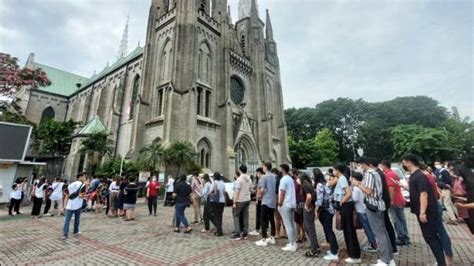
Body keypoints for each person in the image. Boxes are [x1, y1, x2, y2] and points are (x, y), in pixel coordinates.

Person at [402, 155, 446, 266]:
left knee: (431, 237)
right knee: (430, 237)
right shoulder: (414, 176)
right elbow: (417, 191)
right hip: (423, 210)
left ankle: (442, 263)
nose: (403, 164)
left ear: (409, 162)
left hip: (427, 212)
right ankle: (441, 261)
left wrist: (422, 212)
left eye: (404, 162)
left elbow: (424, 194)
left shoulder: (419, 176)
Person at [354, 156, 394, 266]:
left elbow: (368, 191)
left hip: (373, 206)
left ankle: (385, 260)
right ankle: (389, 259)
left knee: (379, 234)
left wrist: (357, 184)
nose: (359, 167)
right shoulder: (376, 173)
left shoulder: (369, 174)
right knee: (383, 232)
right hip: (379, 205)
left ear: (364, 163)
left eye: (359, 164)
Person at [419, 164, 454, 265]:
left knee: (440, 233)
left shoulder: (425, 177)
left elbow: (426, 193)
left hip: (433, 205)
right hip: (435, 204)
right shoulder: (429, 176)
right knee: (441, 232)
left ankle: (447, 258)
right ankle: (447, 257)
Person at [333, 163, 361, 264]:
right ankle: (353, 254)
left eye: (333, 170)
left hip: (346, 206)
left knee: (349, 231)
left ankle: (355, 255)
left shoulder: (342, 179)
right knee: (347, 230)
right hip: (345, 207)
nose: (333, 172)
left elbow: (348, 193)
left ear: (337, 170)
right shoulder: (342, 179)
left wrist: (341, 202)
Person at [380, 160, 410, 246]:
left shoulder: (389, 175)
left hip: (395, 200)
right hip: (399, 199)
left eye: (381, 166)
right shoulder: (393, 173)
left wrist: (391, 200)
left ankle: (401, 237)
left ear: (384, 166)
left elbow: (391, 189)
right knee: (401, 219)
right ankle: (406, 237)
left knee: (396, 220)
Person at [314, 168, 338, 260]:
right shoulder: (326, 183)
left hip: (325, 210)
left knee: (328, 231)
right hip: (331, 209)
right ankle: (334, 249)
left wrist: (315, 210)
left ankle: (334, 253)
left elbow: (319, 200)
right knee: (329, 230)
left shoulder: (319, 185)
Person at [351, 171, 377, 253]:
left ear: (355, 179)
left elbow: (354, 199)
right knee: (369, 227)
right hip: (365, 209)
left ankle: (373, 244)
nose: (351, 181)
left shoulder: (356, 188)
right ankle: (373, 242)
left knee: (367, 228)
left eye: (352, 179)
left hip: (361, 210)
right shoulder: (363, 185)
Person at [299, 171, 321, 257]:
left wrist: (306, 205)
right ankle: (314, 245)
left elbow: (309, 197)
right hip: (310, 208)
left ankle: (314, 250)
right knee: (306, 226)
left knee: (310, 228)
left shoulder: (305, 185)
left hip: (308, 208)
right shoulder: (308, 184)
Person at [255, 163, 277, 247]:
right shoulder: (273, 176)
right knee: (271, 218)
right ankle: (272, 237)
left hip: (266, 201)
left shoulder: (264, 177)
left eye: (263, 167)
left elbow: (263, 189)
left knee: (263, 219)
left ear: (266, 168)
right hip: (272, 201)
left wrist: (259, 195)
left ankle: (264, 238)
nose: (262, 168)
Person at [278, 164, 298, 252]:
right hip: (292, 203)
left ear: (282, 170)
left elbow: (282, 192)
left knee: (288, 224)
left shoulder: (283, 179)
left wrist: (280, 203)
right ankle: (294, 242)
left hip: (286, 204)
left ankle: (292, 243)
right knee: (292, 224)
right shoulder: (290, 179)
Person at [231, 165, 253, 240]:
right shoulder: (249, 179)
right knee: (245, 215)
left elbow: (237, 191)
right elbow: (251, 189)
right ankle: (245, 232)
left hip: (240, 200)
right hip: (247, 199)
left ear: (240, 170)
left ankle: (237, 233)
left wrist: (234, 202)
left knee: (236, 215)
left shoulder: (239, 179)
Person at [63, 173, 86, 240]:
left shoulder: (70, 185)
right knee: (77, 218)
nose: (84, 178)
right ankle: (75, 231)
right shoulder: (83, 185)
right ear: (81, 177)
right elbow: (81, 195)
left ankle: (65, 234)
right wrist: (86, 196)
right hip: (78, 204)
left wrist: (64, 205)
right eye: (84, 177)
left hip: (70, 204)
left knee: (67, 220)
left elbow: (67, 195)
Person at [291, 169, 305, 243]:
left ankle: (299, 236)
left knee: (297, 220)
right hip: (303, 201)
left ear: (294, 174)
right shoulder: (303, 181)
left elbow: (294, 192)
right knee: (302, 219)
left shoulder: (296, 181)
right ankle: (303, 234)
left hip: (297, 202)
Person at [210, 172, 226, 236]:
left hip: (216, 200)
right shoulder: (222, 182)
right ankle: (219, 230)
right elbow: (224, 192)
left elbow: (211, 190)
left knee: (216, 216)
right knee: (220, 216)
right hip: (222, 201)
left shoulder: (214, 182)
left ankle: (219, 231)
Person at [272, 168, 285, 239]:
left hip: (277, 198)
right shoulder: (281, 179)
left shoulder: (275, 180)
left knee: (277, 217)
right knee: (283, 217)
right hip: (282, 199)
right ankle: (285, 232)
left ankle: (277, 233)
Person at [249, 172, 262, 237]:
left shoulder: (261, 180)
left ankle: (257, 229)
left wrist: (257, 200)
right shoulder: (262, 179)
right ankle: (263, 229)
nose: (256, 175)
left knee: (259, 215)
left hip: (260, 200)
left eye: (257, 173)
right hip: (263, 200)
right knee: (264, 215)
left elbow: (259, 190)